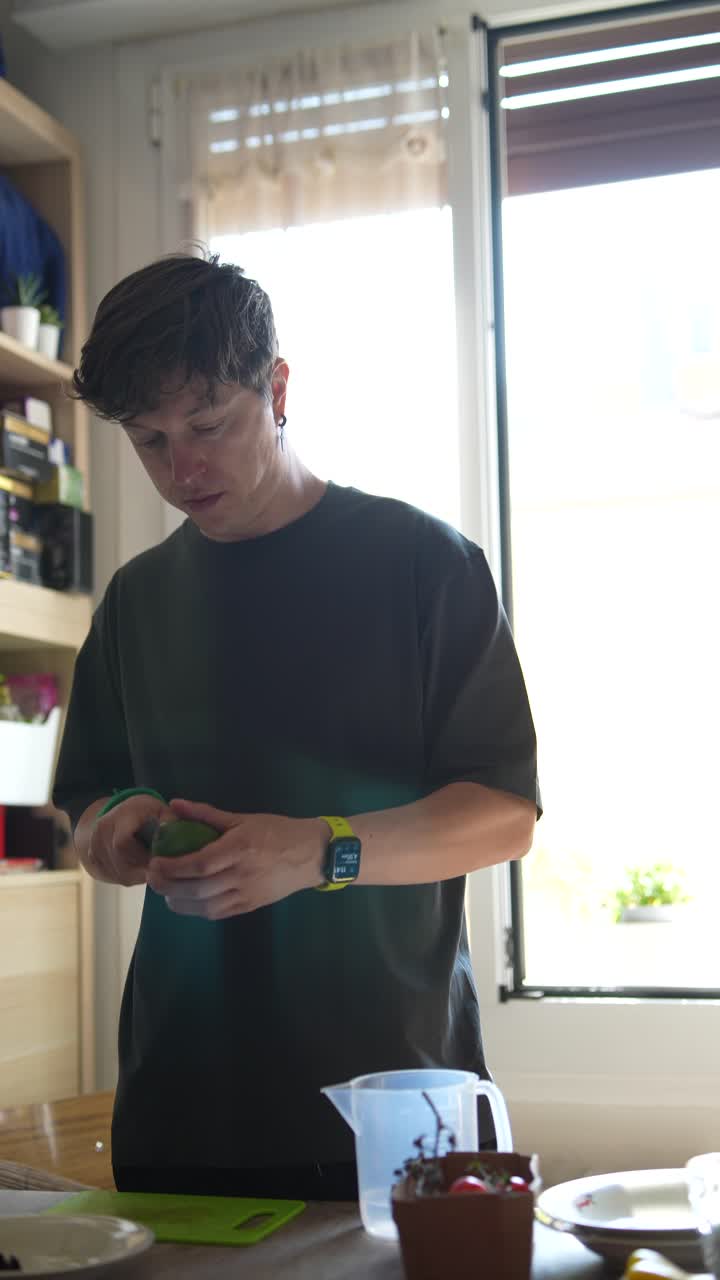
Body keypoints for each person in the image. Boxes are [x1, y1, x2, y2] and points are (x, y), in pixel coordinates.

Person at [53, 252, 540, 1203]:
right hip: (181, 1105)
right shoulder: (136, 601)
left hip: (394, 1099)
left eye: (208, 424)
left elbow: (504, 816)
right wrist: (115, 827)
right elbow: (89, 810)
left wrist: (323, 851)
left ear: (277, 388)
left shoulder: (423, 566)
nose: (182, 467)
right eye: (149, 441)